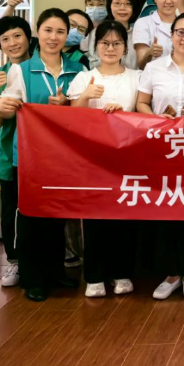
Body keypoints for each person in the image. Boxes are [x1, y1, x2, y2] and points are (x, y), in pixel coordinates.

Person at [0, 9, 86, 301]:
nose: (53, 37)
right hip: (30, 156)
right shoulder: (21, 70)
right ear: (38, 32)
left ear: (67, 35)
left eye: (60, 31)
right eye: (48, 30)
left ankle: (56, 271)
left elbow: (83, 114)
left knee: (57, 215)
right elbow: (10, 111)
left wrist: (67, 106)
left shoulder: (78, 70)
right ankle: (33, 278)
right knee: (32, 217)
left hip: (63, 156)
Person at [137, 13, 184, 300]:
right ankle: (171, 273)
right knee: (166, 208)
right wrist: (157, 119)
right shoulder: (154, 68)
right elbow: (141, 103)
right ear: (171, 35)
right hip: (162, 148)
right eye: (181, 32)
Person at [68, 21, 141, 298]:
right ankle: (94, 275)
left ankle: (122, 272)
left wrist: (124, 114)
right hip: (93, 158)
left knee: (124, 215)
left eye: (117, 43)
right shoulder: (84, 78)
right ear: (95, 46)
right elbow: (71, 119)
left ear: (125, 47)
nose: (110, 48)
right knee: (95, 216)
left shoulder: (137, 77)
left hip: (127, 156)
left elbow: (144, 114)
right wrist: (85, 97)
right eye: (105, 43)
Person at [0, 16, 32, 289]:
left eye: (17, 36)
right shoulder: (0, 75)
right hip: (8, 152)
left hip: (39, 153)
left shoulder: (40, 67)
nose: (13, 43)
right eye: (5, 39)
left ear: (28, 37)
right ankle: (14, 261)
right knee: (11, 210)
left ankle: (46, 259)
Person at [86, 0, 140, 69]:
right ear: (109, 5)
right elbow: (92, 63)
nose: (122, 8)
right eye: (117, 3)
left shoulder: (139, 34)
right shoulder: (96, 33)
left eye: (128, 4)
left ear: (134, 7)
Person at [133, 0, 180, 70]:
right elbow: (141, 65)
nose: (168, 1)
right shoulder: (143, 23)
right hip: (153, 77)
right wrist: (149, 53)